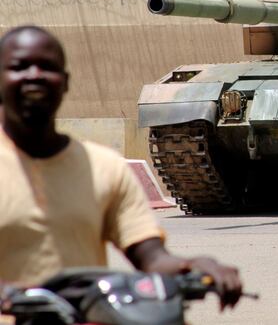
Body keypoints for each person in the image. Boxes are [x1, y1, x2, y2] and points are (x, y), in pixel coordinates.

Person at [0, 26, 242, 309]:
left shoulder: (104, 168)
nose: (35, 75)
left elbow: (151, 258)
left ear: (65, 82)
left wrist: (193, 264)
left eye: (47, 66)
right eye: (19, 66)